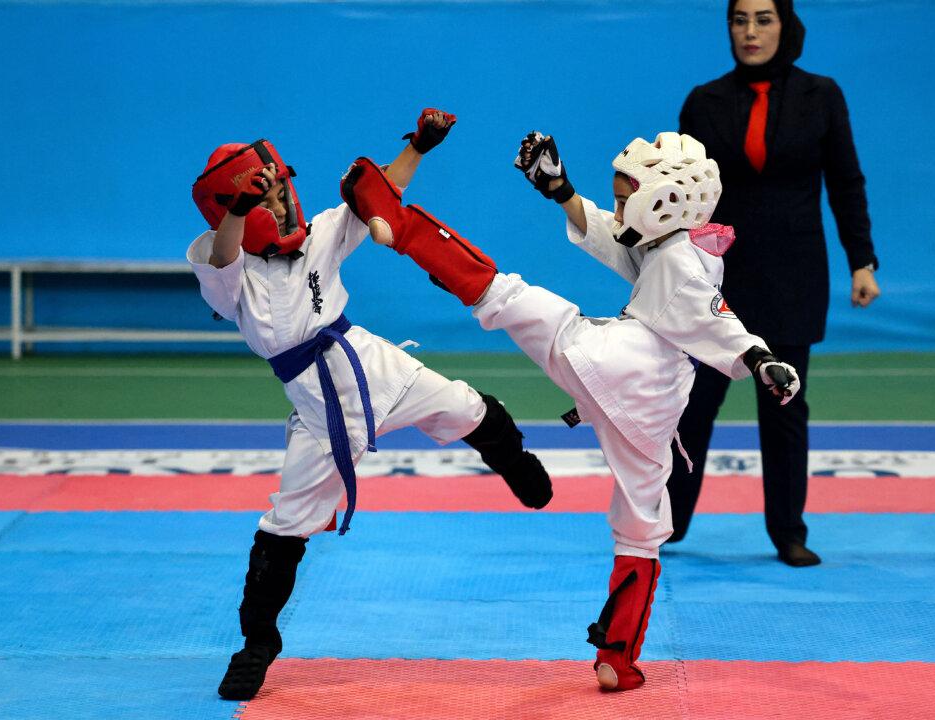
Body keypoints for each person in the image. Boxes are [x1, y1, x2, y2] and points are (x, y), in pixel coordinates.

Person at [338, 130, 801, 692]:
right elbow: (621, 242)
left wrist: (761, 358)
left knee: (503, 294)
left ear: (665, 201)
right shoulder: (672, 245)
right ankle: (617, 658)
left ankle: (398, 221)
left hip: (615, 365)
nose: (621, 205)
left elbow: (720, 320)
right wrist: (561, 191)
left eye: (629, 196)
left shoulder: (683, 263)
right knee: (641, 528)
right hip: (654, 407)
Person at [187, 110, 553, 701]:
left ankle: (514, 461)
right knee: (284, 526)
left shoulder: (319, 236)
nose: (278, 205)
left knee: (468, 408)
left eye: (280, 191)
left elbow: (381, 194)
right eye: (262, 199)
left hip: (371, 365)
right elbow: (224, 255)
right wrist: (237, 211)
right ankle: (256, 645)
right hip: (318, 412)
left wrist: (420, 147)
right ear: (229, 210)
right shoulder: (230, 275)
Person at [669, 0, 881, 567]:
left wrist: (862, 260)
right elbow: (682, 194)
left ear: (786, 27)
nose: (750, 31)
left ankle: (789, 533)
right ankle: (666, 524)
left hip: (794, 276)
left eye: (764, 19)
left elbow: (845, 180)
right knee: (691, 409)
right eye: (740, 19)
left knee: (785, 410)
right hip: (718, 281)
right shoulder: (704, 101)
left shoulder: (822, 95)